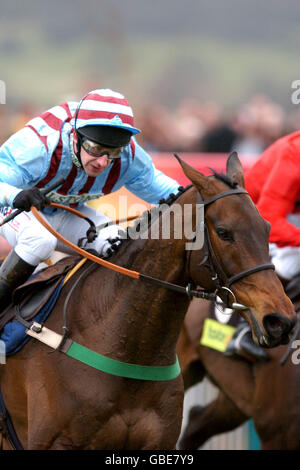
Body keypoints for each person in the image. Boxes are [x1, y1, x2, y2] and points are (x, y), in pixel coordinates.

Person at [0, 89, 180, 315]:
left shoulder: (129, 156)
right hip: (16, 208)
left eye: (113, 151)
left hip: (67, 212)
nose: (103, 162)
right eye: (95, 149)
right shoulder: (40, 144)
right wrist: (15, 195)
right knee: (39, 241)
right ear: (75, 136)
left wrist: (206, 197)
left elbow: (171, 193)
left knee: (120, 244)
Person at [226, 129, 300, 361]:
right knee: (295, 253)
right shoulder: (293, 154)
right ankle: (244, 330)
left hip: (290, 211)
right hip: (254, 215)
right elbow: (270, 220)